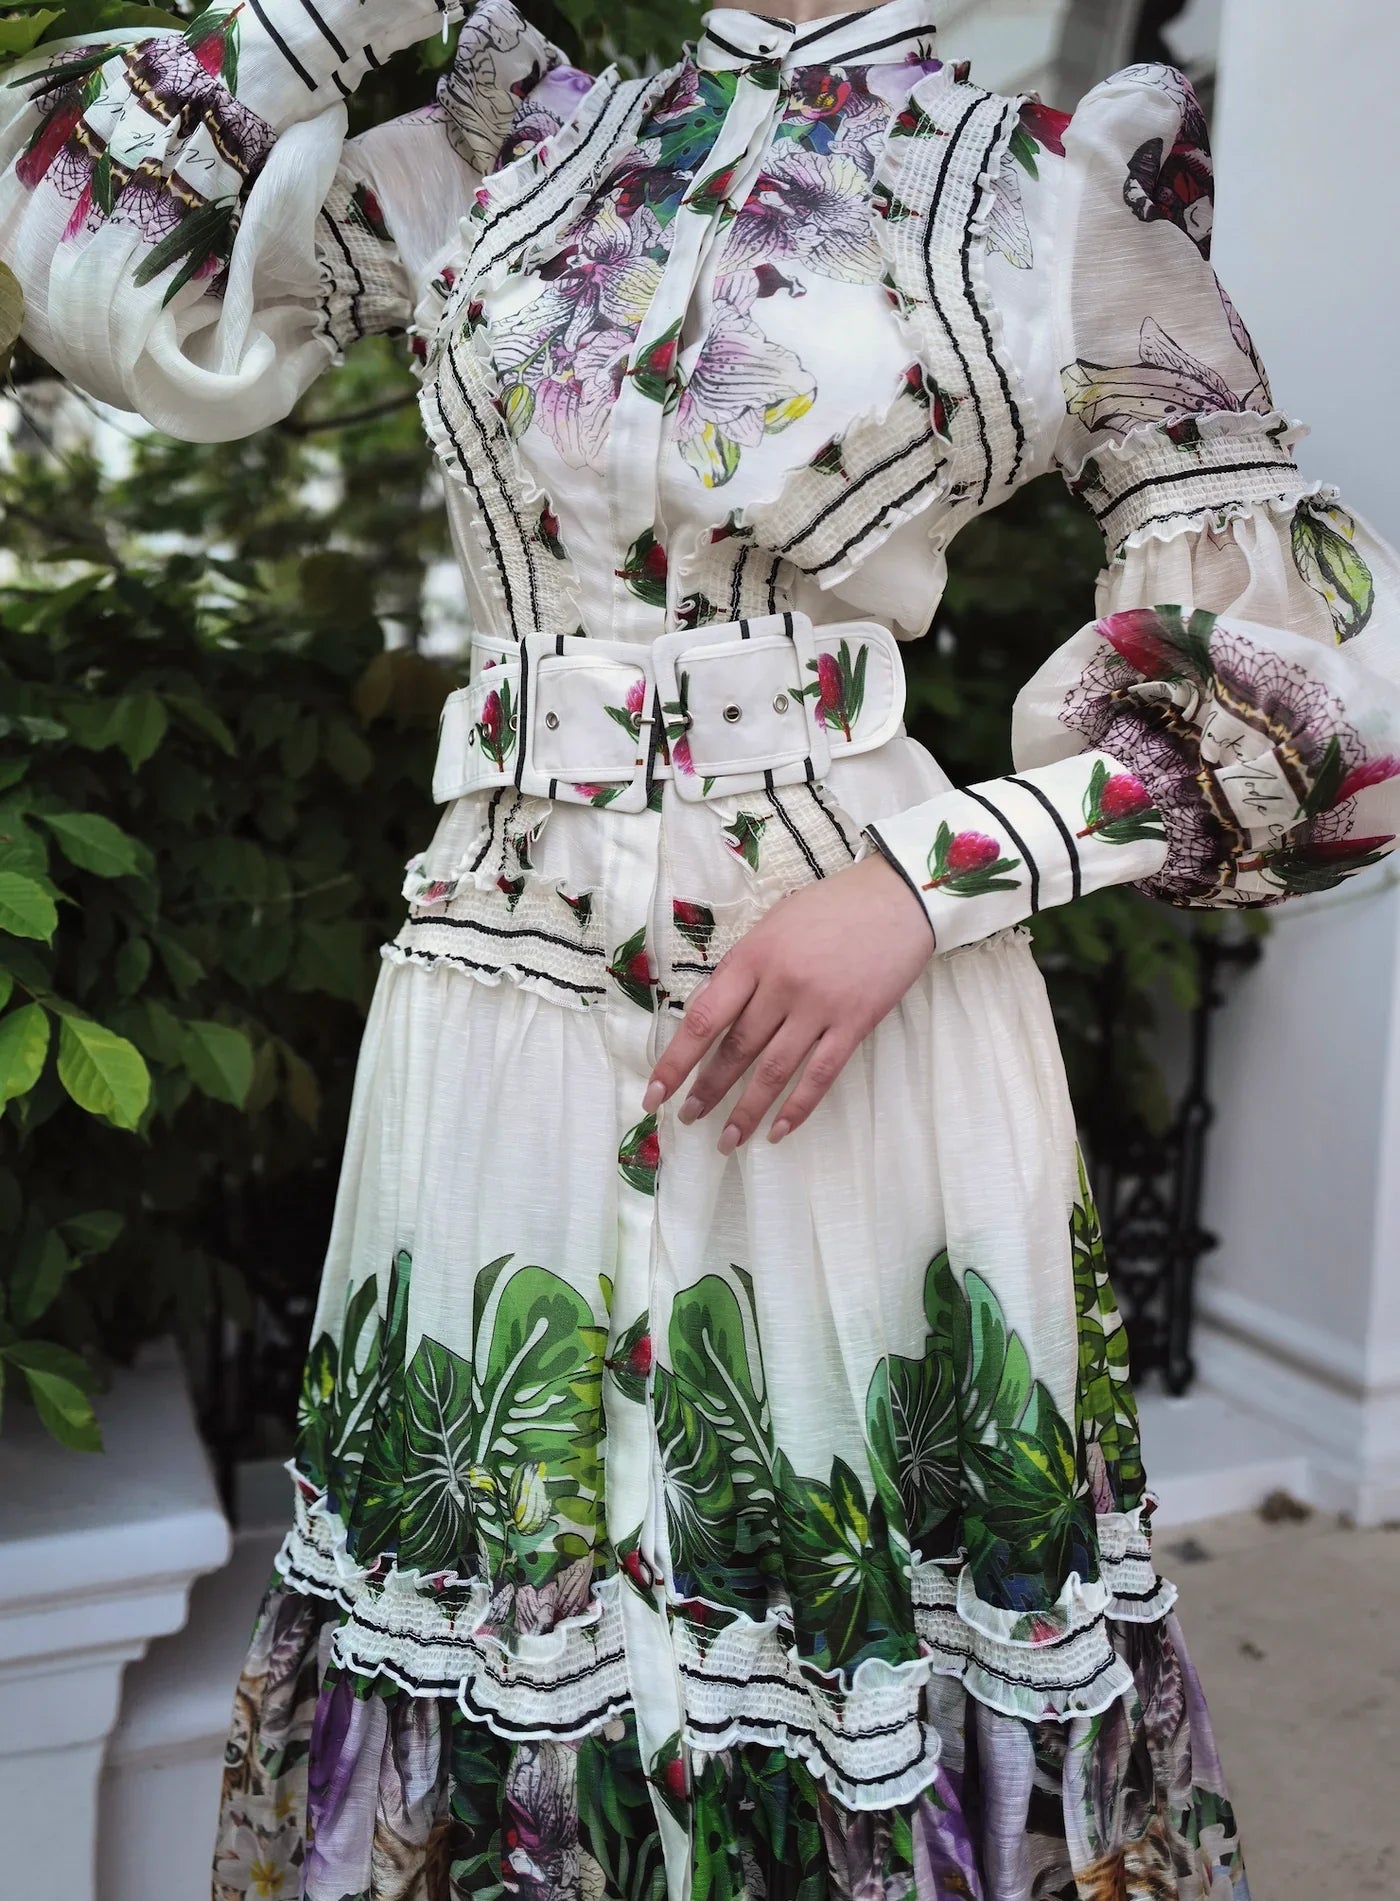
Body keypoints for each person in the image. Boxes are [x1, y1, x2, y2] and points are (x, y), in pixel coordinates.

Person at [4, 1, 1399, 1893]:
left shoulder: (1055, 202)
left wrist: (935, 877)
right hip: (499, 985)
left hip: (853, 1008)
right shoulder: (496, 144)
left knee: (830, 1598)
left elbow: (1334, 695)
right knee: (504, 1595)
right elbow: (82, 263)